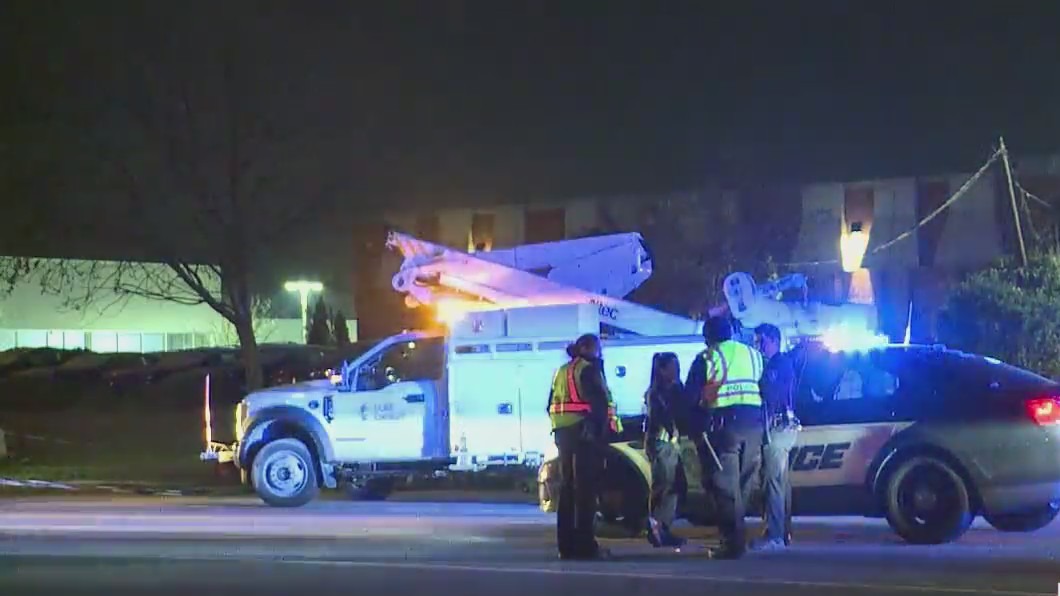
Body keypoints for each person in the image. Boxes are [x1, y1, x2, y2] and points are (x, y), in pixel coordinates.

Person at [685, 316, 764, 559]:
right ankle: (739, 534)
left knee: (725, 486)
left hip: (725, 426)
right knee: (744, 483)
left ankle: (733, 543)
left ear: (708, 336)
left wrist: (695, 423)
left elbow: (691, 396)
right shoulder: (753, 354)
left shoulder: (708, 357)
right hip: (754, 425)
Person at [547, 333, 617, 560]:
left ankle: (566, 547)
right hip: (584, 435)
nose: (600, 352)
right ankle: (586, 546)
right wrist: (601, 434)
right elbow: (600, 405)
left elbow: (550, 405)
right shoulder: (588, 370)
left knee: (567, 490)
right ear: (587, 348)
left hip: (563, 434)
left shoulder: (562, 371)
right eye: (597, 347)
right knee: (585, 492)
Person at [751, 323, 799, 551]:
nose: (758, 346)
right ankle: (782, 531)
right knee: (780, 481)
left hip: (778, 429)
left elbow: (769, 393)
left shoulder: (778, 365)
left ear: (775, 341)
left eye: (762, 341)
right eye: (756, 342)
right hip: (781, 427)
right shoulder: (781, 363)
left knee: (773, 481)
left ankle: (775, 535)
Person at [643, 352, 688, 548]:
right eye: (672, 367)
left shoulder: (675, 389)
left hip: (669, 444)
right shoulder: (657, 393)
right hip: (662, 444)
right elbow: (663, 416)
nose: (676, 370)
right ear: (662, 370)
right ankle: (657, 527)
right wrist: (673, 431)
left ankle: (663, 527)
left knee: (675, 485)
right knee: (665, 485)